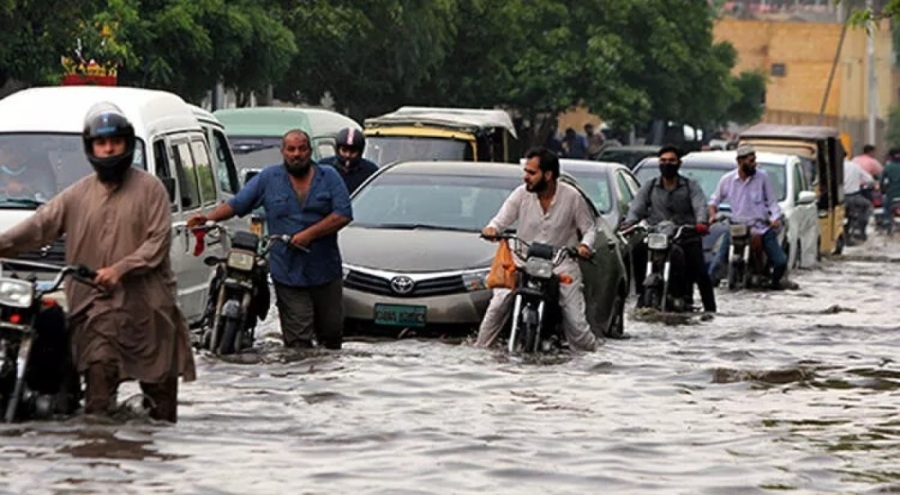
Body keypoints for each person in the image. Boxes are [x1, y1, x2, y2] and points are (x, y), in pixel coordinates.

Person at [0, 102, 196, 422]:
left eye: (115, 142)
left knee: (162, 410)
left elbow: (157, 243)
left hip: (149, 312)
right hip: (96, 310)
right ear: (90, 148)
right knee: (97, 404)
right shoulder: (76, 195)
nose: (108, 150)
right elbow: (39, 226)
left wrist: (120, 270)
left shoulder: (152, 190)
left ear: (127, 145)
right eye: (101, 144)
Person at [188, 129, 352, 350]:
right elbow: (237, 204)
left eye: (302, 149)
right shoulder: (269, 178)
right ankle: (300, 381)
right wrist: (207, 219)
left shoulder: (329, 176)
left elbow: (343, 214)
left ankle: (326, 382)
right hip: (288, 271)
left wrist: (308, 235)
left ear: (310, 151)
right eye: (291, 149)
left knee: (331, 337)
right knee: (298, 342)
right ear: (283, 152)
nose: (297, 154)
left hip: (325, 270)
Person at [476, 147, 601, 351]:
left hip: (561, 263)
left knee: (576, 321)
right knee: (498, 304)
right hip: (523, 260)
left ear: (548, 175)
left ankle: (592, 359)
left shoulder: (573, 197)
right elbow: (501, 220)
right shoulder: (520, 194)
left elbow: (589, 229)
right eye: (525, 172)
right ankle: (480, 352)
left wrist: (585, 246)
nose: (526, 177)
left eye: (531, 173)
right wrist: (492, 229)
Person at [621, 145, 717, 313]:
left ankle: (709, 309)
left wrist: (702, 222)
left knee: (701, 272)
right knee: (637, 251)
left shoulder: (690, 186)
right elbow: (637, 207)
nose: (667, 164)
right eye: (663, 161)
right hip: (656, 237)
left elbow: (700, 205)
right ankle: (639, 293)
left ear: (679, 163)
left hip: (684, 235)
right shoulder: (650, 186)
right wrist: (630, 223)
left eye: (671, 161)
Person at [708, 145, 788, 290]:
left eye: (754, 160)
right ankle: (708, 294)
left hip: (761, 228)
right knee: (716, 265)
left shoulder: (762, 177)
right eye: (751, 161)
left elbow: (772, 202)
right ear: (740, 161)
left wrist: (775, 219)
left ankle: (774, 283)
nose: (754, 164)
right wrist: (713, 216)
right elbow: (714, 201)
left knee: (780, 261)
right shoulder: (727, 180)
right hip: (736, 228)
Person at [318, 127, 378, 194]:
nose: (348, 155)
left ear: (360, 152)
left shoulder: (370, 170)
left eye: (353, 151)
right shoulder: (323, 167)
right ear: (337, 149)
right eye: (344, 150)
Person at [843, 158, 875, 243]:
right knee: (868, 205)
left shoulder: (834, 167)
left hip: (840, 199)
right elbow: (869, 179)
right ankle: (861, 230)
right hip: (854, 197)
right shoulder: (855, 166)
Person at [880, 147, 900, 234]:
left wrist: (883, 191)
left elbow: (882, 183)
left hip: (891, 195)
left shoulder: (887, 168)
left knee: (886, 208)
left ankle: (887, 225)